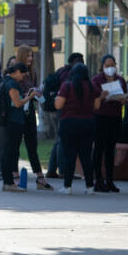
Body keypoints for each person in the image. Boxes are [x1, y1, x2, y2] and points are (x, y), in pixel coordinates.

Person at [55, 62, 101, 194]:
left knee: (69, 156)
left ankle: (67, 186)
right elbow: (97, 105)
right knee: (86, 156)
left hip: (68, 123)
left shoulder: (67, 86)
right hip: (88, 123)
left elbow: (58, 105)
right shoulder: (92, 86)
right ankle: (89, 186)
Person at [14, 44, 52, 190]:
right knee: (15, 145)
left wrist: (37, 93)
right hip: (17, 112)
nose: (30, 58)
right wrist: (27, 94)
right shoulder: (15, 71)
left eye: (32, 56)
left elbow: (33, 91)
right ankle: (15, 176)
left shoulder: (32, 72)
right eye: (28, 55)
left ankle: (40, 177)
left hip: (29, 111)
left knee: (32, 145)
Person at [91, 55, 128, 192]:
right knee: (99, 148)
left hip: (115, 117)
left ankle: (110, 181)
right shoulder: (96, 80)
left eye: (112, 65)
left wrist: (123, 99)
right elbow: (93, 99)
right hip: (100, 117)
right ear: (102, 66)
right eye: (107, 65)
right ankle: (98, 180)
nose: (110, 68)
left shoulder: (121, 80)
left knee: (110, 149)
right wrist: (102, 96)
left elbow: (125, 97)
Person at [0, 62, 37, 192]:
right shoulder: (12, 84)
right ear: (16, 72)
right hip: (14, 121)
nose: (23, 77)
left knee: (9, 151)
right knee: (10, 151)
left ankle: (7, 182)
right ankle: (9, 182)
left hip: (10, 120)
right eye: (22, 74)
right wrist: (30, 97)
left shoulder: (6, 81)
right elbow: (17, 103)